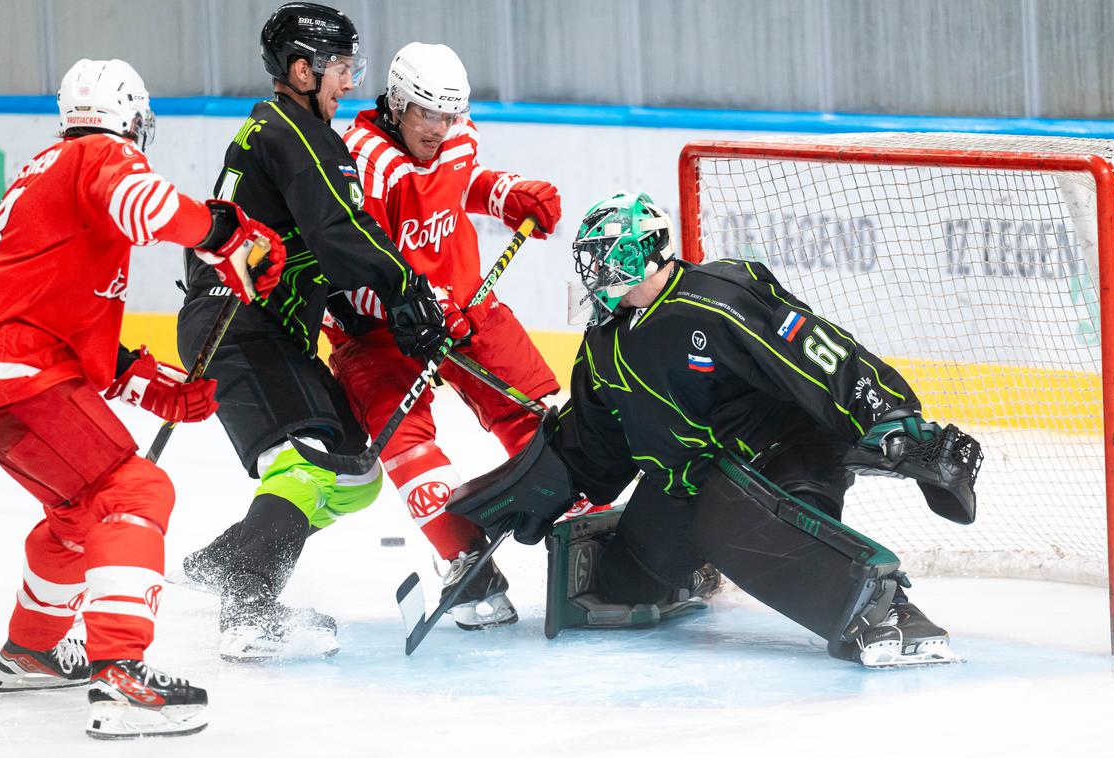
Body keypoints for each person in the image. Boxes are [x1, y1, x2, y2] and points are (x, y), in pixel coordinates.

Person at [448, 191, 984, 666]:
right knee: (619, 585)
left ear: (640, 252)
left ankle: (886, 611)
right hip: (689, 482)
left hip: (780, 455)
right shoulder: (602, 345)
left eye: (603, 255)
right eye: (589, 258)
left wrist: (893, 421)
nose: (593, 270)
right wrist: (533, 487)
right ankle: (701, 563)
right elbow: (594, 442)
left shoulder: (719, 298)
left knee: (764, 534)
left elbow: (819, 354)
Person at [0, 58, 284, 738]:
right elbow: (143, 203)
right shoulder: (99, 156)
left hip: (5, 373)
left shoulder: (49, 176)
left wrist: (151, 385)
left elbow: (62, 326)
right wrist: (222, 232)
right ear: (133, 122)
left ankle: (31, 649)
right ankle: (119, 673)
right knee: (133, 491)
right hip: (15, 371)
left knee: (76, 511)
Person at [175, 4, 453, 660]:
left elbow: (311, 248)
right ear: (302, 70)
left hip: (261, 327)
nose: (349, 83)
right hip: (237, 325)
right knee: (306, 464)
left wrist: (374, 313)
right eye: (341, 69)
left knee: (356, 469)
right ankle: (247, 604)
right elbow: (339, 231)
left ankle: (229, 558)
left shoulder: (284, 131)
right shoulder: (295, 131)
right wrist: (407, 288)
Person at [324, 42, 564, 630]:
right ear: (398, 102)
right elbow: (342, 261)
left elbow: (462, 183)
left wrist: (507, 195)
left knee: (533, 409)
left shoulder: (456, 134)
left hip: (466, 304)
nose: (439, 128)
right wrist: (412, 309)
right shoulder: (363, 163)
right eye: (426, 114)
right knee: (405, 440)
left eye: (449, 115)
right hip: (378, 329)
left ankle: (591, 519)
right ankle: (465, 561)